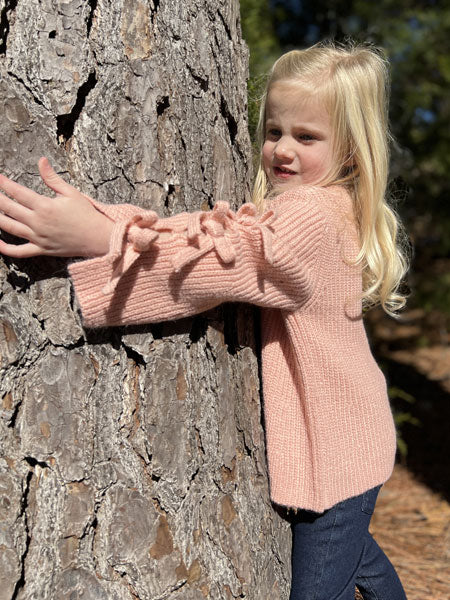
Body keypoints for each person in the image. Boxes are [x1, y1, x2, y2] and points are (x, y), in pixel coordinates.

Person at [0, 41, 409, 599]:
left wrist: (100, 238)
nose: (282, 150)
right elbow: (212, 237)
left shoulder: (312, 214)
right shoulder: (304, 205)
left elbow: (221, 264)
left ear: (351, 154)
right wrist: (110, 224)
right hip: (347, 444)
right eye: (274, 132)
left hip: (336, 455)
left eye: (306, 137)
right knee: (360, 562)